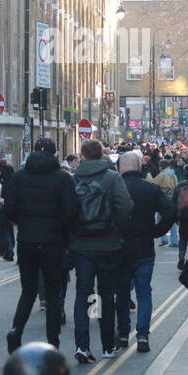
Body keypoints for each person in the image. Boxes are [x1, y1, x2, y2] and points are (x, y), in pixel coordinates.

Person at [0, 137, 77, 353]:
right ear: (55, 154)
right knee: (53, 293)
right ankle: (53, 342)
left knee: (28, 290)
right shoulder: (63, 178)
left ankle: (16, 330)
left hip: (27, 240)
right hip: (54, 242)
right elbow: (71, 211)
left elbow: (9, 209)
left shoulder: (19, 177)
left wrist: (23, 222)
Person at [69, 139, 134, 363]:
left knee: (83, 295)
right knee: (105, 295)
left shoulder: (74, 177)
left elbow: (66, 209)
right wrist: (114, 225)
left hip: (81, 245)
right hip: (108, 244)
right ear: (102, 155)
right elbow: (126, 206)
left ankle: (82, 345)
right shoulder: (111, 177)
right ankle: (107, 345)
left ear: (83, 156)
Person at [114, 152, 175, 353]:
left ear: (119, 168)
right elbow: (170, 212)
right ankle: (142, 336)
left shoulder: (113, 188)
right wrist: (157, 231)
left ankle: (123, 334)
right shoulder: (151, 188)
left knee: (121, 293)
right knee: (143, 292)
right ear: (140, 168)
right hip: (144, 248)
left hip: (119, 248)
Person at [0, 159, 16, 261]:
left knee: (4, 230)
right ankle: (10, 248)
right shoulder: (15, 183)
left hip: (2, 209)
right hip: (12, 209)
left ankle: (8, 251)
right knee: (11, 230)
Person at [152, 156, 179, 247]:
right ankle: (174, 240)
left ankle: (163, 238)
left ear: (162, 166)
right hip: (172, 198)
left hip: (163, 198)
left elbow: (154, 184)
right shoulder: (173, 174)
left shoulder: (162, 174)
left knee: (160, 219)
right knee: (172, 220)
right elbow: (176, 186)